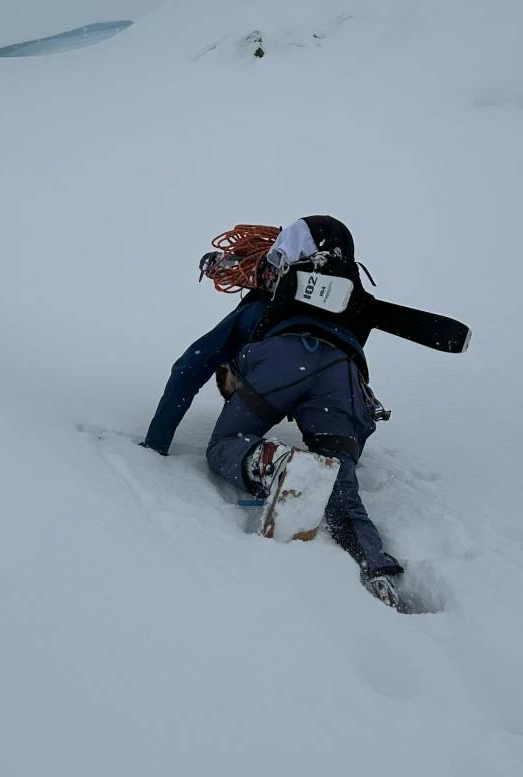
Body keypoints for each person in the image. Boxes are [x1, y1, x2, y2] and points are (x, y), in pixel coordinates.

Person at [144, 216, 404, 607]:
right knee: (342, 487)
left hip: (281, 360)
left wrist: (155, 444)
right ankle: (377, 572)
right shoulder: (354, 304)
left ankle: (271, 462)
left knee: (225, 445)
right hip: (344, 373)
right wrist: (346, 451)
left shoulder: (265, 304)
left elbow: (189, 366)